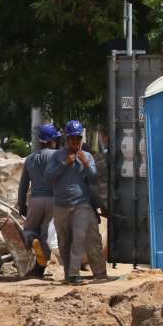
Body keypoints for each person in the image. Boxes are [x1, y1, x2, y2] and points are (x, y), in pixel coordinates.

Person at [44, 121, 106, 285]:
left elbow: (93, 178)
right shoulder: (57, 156)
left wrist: (85, 163)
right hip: (60, 205)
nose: (75, 142)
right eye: (72, 139)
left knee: (79, 238)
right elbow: (48, 176)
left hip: (81, 204)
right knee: (64, 242)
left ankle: (74, 273)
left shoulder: (88, 156)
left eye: (78, 139)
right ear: (67, 138)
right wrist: (65, 164)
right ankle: (69, 274)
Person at [15, 122, 63, 276]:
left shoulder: (29, 159)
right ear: (52, 140)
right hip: (53, 200)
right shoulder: (57, 156)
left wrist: (21, 204)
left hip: (35, 200)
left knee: (29, 230)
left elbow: (23, 185)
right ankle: (41, 266)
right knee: (47, 234)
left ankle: (34, 248)